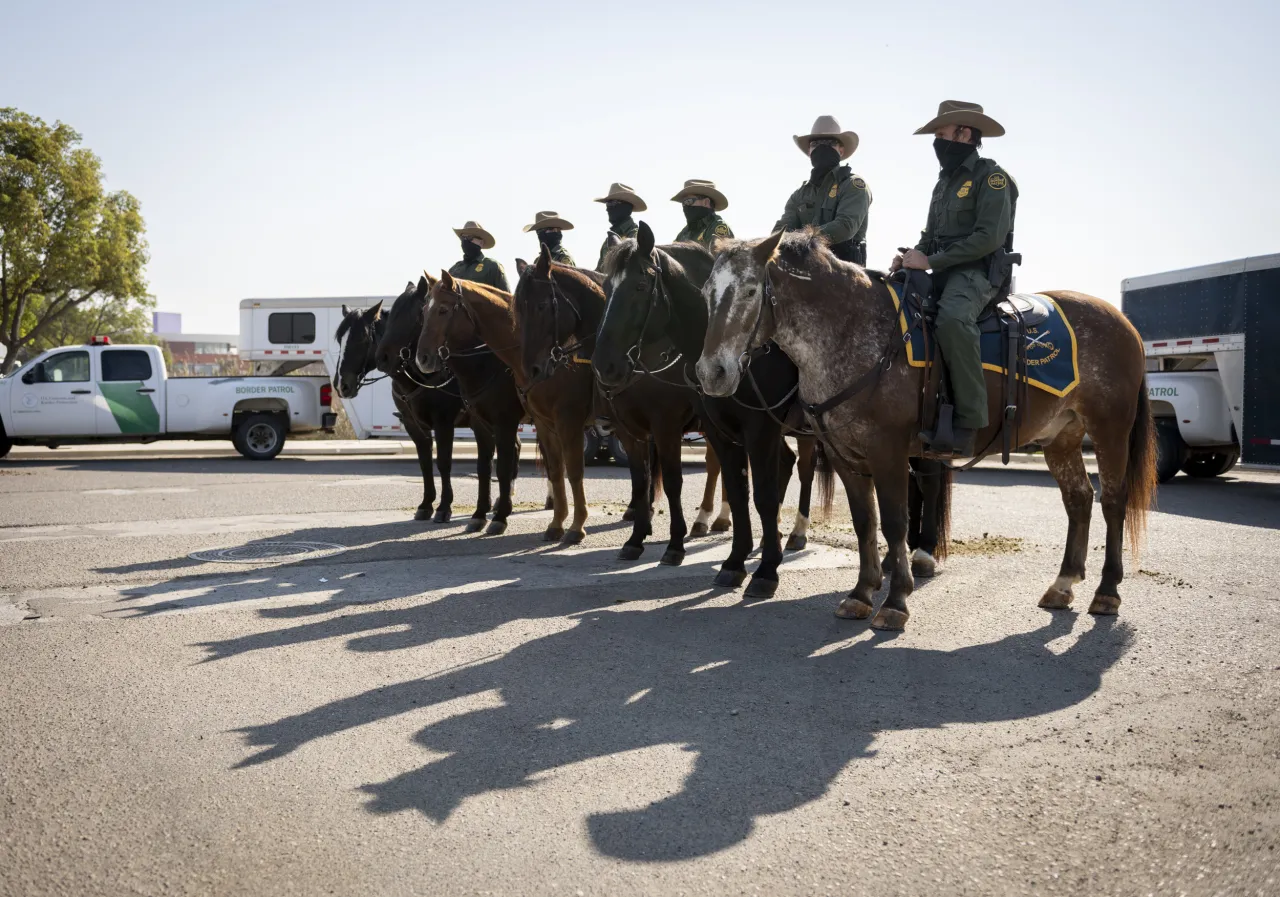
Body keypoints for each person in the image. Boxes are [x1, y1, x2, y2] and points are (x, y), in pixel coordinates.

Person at [893, 100, 1017, 457]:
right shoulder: (943, 184)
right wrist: (909, 257)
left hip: (978, 273)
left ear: (964, 133)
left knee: (952, 320)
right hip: (944, 269)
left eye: (941, 134)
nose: (937, 142)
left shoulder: (992, 178)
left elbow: (987, 238)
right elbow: (930, 235)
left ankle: (969, 423)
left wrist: (929, 260)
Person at [774, 116, 871, 264]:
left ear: (841, 150)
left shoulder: (853, 185)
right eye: (816, 144)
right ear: (809, 151)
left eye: (830, 143)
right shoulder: (799, 195)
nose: (822, 148)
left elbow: (845, 226)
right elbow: (781, 231)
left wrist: (799, 239)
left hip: (845, 272)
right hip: (804, 270)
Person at [593, 183, 645, 270]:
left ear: (625, 207)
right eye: (607, 204)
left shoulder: (637, 237)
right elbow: (599, 272)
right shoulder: (608, 240)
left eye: (612, 203)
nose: (607, 209)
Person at [671, 179, 733, 249]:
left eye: (689, 201)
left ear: (706, 202)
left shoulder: (718, 227)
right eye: (683, 203)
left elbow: (716, 258)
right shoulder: (685, 232)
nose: (685, 206)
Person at [448, 221, 509, 291]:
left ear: (481, 242)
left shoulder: (492, 267)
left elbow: (507, 298)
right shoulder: (454, 270)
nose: (465, 241)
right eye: (463, 238)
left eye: (469, 237)